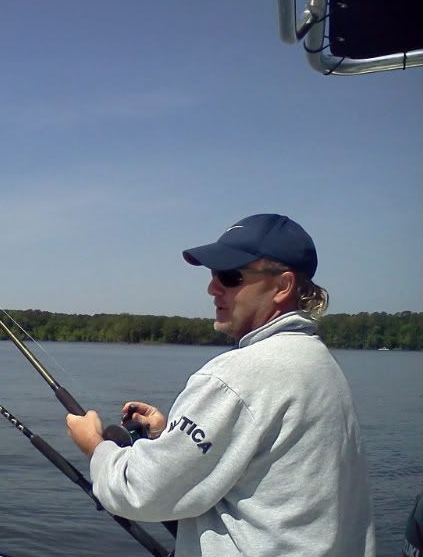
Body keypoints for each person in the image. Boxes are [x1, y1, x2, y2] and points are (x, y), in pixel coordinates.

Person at [66, 213, 375, 556]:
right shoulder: (317, 363)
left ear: (283, 286)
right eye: (213, 275)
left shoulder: (238, 377)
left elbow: (139, 492)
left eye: (230, 276)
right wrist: (167, 436)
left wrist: (95, 447)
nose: (212, 288)